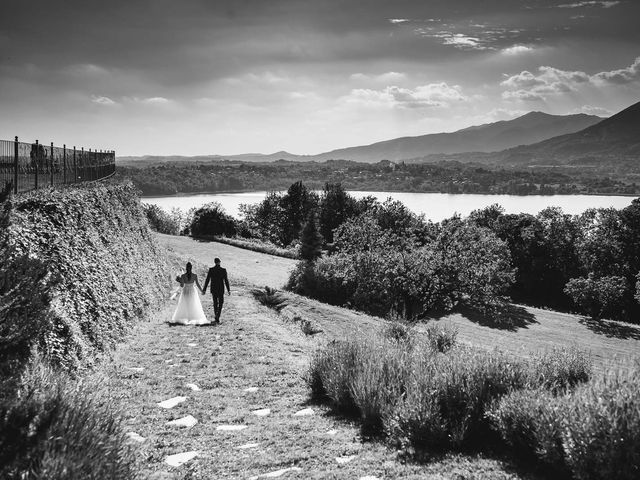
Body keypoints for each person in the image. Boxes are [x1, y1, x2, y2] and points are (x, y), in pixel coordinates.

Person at [202, 257, 231, 324]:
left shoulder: (211, 270)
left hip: (214, 288)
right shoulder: (223, 270)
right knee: (221, 303)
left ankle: (216, 315)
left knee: (215, 303)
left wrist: (204, 289)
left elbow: (207, 280)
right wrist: (228, 290)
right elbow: (226, 280)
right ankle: (217, 316)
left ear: (214, 262)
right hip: (220, 289)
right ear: (219, 262)